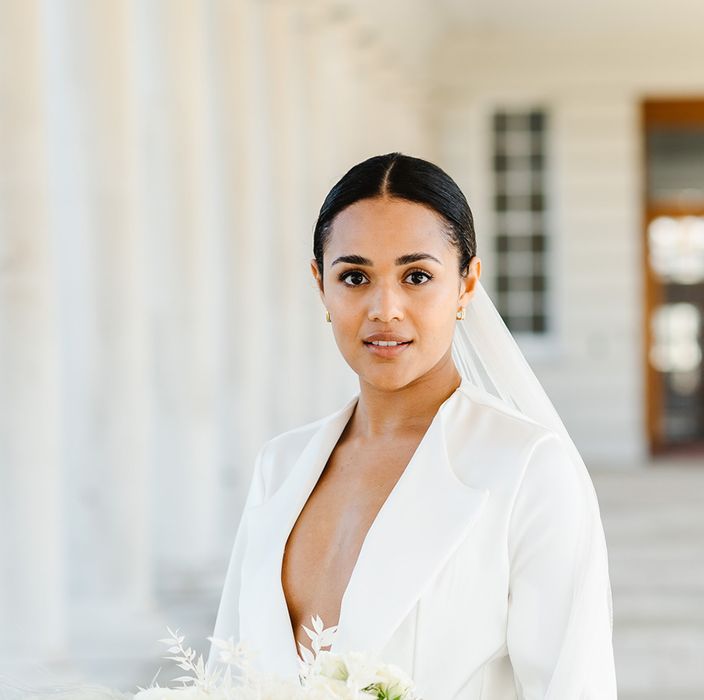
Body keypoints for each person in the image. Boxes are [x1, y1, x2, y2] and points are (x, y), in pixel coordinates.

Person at [208, 153, 617, 699]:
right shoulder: (280, 467)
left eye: (417, 276)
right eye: (354, 276)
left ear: (467, 285)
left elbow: (573, 687)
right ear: (320, 285)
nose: (385, 308)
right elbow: (229, 674)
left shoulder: (529, 471)